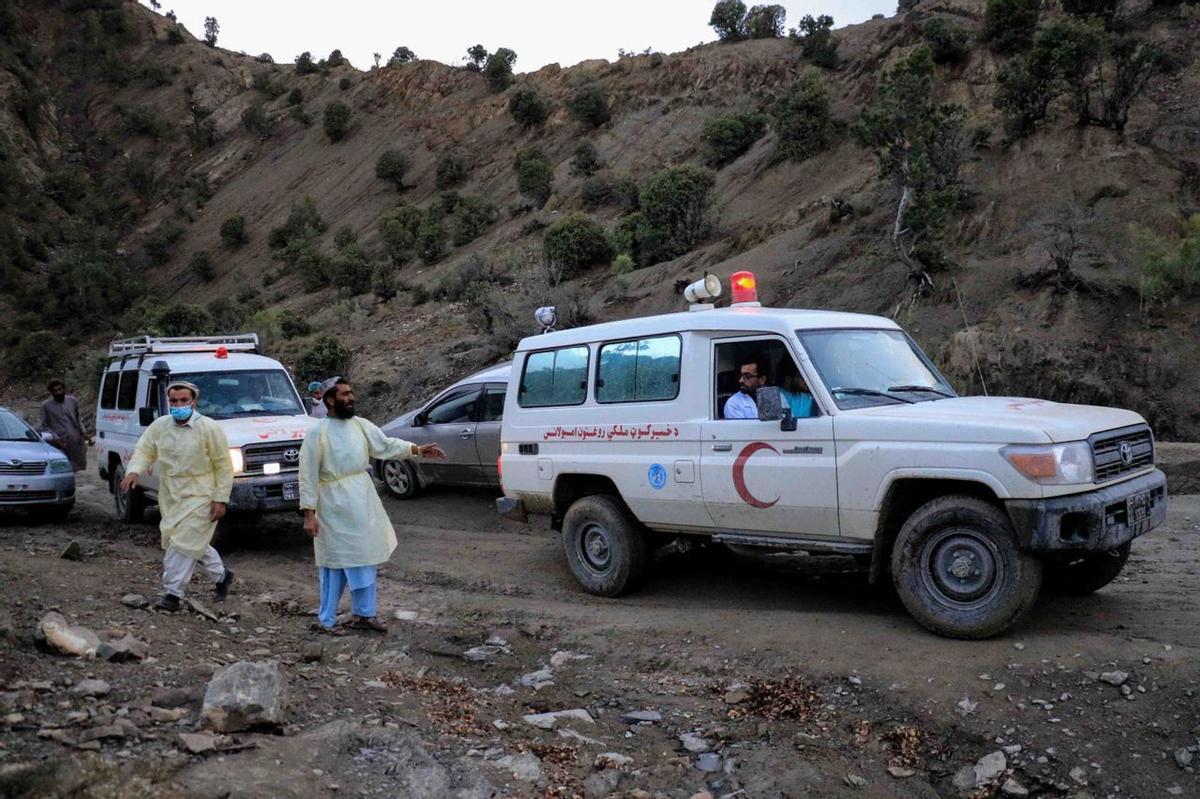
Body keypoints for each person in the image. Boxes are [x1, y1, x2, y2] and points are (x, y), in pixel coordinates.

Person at [299, 377, 445, 635]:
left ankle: (364, 615)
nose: (351, 398)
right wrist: (309, 515)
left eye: (351, 393)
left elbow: (386, 446)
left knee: (365, 558)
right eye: (345, 394)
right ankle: (326, 620)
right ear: (330, 400)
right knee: (334, 563)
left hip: (362, 502)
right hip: (332, 505)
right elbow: (307, 475)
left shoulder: (360, 425)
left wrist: (418, 449)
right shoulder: (316, 433)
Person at [120, 381, 235, 612]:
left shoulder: (209, 428)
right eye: (174, 401)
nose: (179, 404)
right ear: (168, 401)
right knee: (185, 540)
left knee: (183, 542)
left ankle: (172, 594)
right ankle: (222, 576)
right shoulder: (160, 426)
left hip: (201, 493)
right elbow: (145, 450)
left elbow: (223, 465)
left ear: (194, 401)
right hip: (171, 494)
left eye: (184, 400)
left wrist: (220, 499)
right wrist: (134, 471)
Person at [39, 380, 91, 472]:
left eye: (60, 389)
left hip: (75, 440)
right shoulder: (46, 406)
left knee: (78, 466)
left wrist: (84, 433)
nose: (58, 392)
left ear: (64, 389)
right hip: (58, 442)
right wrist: (55, 438)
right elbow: (44, 425)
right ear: (51, 392)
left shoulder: (72, 401)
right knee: (62, 467)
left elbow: (78, 418)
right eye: (55, 390)